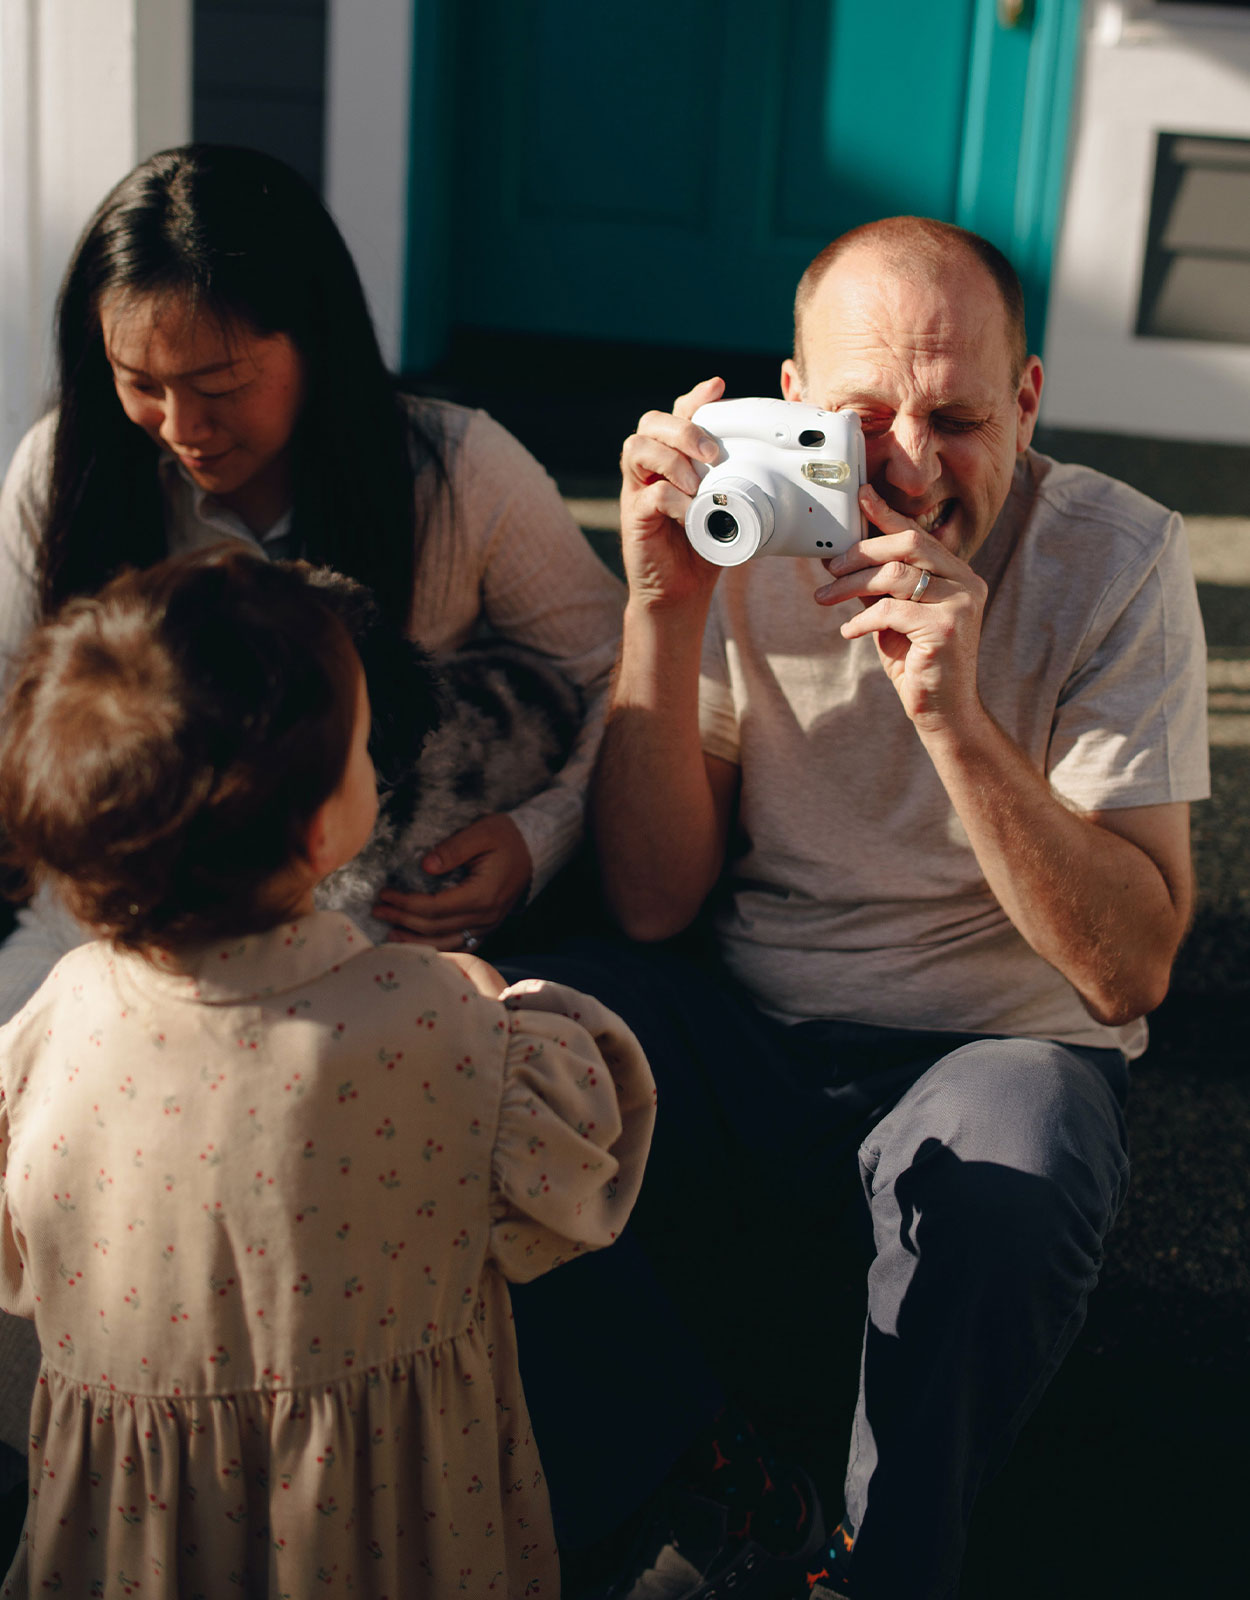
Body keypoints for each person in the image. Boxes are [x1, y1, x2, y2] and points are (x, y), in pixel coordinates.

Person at [511, 216, 1209, 1599]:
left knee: (1018, 1158)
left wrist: (951, 717)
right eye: (851, 418)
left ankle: (889, 1564)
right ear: (785, 396)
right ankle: (696, 1473)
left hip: (988, 1041)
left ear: (1027, 398)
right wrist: (663, 607)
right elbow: (652, 903)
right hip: (750, 1015)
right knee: (508, 1058)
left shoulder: (1115, 558)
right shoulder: (746, 525)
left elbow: (1128, 972)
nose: (900, 460)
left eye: (955, 416)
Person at [0, 545, 653, 1599]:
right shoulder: (448, 1025)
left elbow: (22, 1264)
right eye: (361, 745)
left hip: (138, 1546)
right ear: (321, 831)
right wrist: (489, 997)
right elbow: (569, 1200)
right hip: (392, 1537)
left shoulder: (52, 1023)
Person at [0, 141, 624, 999]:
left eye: (220, 384)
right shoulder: (64, 467)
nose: (182, 426)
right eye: (140, 382)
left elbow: (616, 671)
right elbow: (19, 702)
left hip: (382, 924)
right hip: (130, 917)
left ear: (315, 342)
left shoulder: (460, 468)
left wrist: (537, 838)